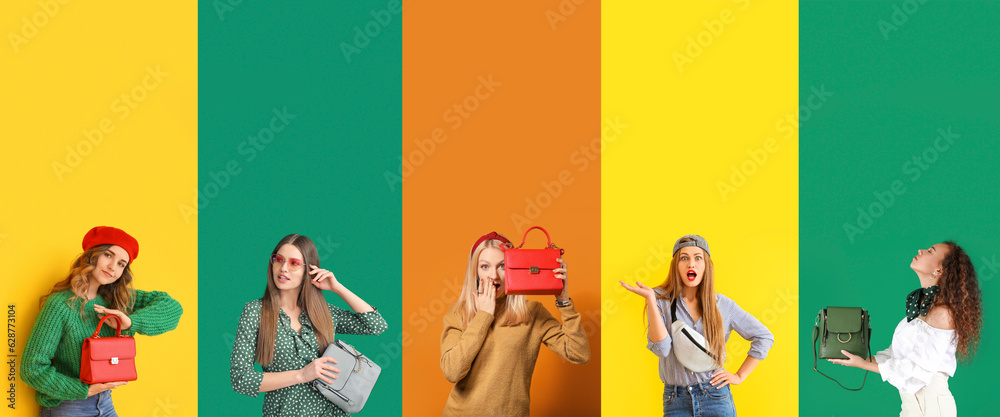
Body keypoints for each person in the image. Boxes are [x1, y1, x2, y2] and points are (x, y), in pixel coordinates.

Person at [21, 226, 184, 416]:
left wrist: (129, 322)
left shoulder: (117, 300)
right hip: (68, 406)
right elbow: (31, 368)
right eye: (108, 255)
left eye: (121, 264)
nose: (113, 267)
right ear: (92, 256)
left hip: (105, 403)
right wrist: (83, 390)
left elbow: (172, 308)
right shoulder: (61, 305)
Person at [230, 234, 387, 416]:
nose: (283, 268)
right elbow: (241, 379)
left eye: (294, 263)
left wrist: (337, 287)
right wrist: (302, 375)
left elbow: (376, 325)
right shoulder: (255, 312)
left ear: (309, 270)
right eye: (278, 260)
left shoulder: (322, 312)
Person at [620, 235, 773, 417]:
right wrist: (651, 301)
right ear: (676, 266)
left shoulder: (723, 305)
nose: (691, 264)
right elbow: (662, 349)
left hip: (715, 396)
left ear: (706, 265)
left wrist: (739, 376)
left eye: (697, 258)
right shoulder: (661, 301)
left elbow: (764, 336)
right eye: (684, 258)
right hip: (675, 399)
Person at [439, 231, 590, 416]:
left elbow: (579, 353)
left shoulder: (532, 312)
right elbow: (452, 371)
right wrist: (484, 316)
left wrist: (563, 299)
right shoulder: (458, 313)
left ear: (513, 267)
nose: (493, 275)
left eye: (502, 266)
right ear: (475, 271)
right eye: (484, 266)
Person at [829, 241, 983, 417]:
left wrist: (863, 364)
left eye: (930, 251)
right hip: (912, 405)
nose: (921, 250)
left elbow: (916, 371)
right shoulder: (921, 309)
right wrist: (858, 358)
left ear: (939, 270)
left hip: (932, 406)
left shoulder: (942, 314)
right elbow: (896, 357)